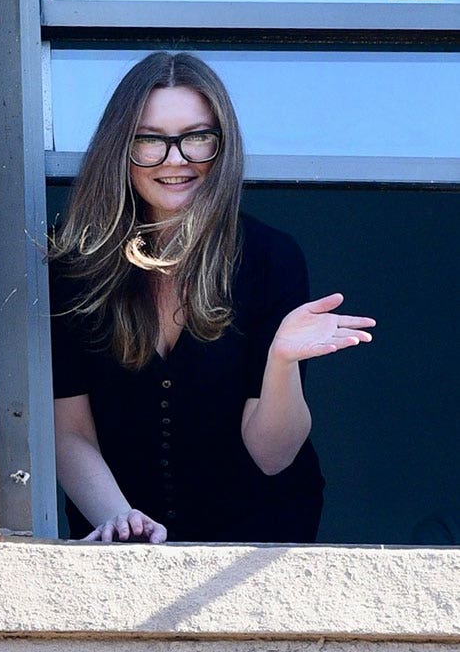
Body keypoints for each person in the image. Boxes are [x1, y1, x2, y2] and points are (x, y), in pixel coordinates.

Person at [49, 51, 375, 544]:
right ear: (119, 148)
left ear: (222, 147)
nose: (175, 158)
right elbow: (69, 430)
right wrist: (117, 519)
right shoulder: (76, 265)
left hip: (258, 540)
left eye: (196, 138)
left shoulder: (269, 257)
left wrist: (282, 364)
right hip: (120, 543)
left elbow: (272, 454)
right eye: (149, 140)